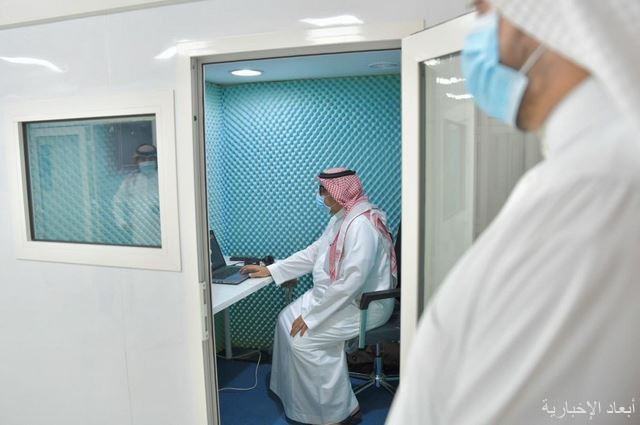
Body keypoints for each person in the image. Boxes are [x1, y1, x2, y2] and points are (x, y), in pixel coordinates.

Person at [387, 1, 640, 424]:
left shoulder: (598, 193)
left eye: (487, 14)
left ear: (548, 17)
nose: (478, 38)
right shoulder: (584, 178)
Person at [241, 168, 397, 425]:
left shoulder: (361, 225)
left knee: (304, 341)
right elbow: (315, 252)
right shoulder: (342, 217)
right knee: (285, 319)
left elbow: (352, 282)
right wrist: (273, 270)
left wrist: (312, 317)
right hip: (337, 296)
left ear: (340, 192)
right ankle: (290, 393)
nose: (320, 196)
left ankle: (338, 413)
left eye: (324, 190)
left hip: (364, 304)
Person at [113, 143, 161, 246]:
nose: (147, 162)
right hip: (139, 232)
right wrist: (122, 222)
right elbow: (118, 201)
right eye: (143, 159)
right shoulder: (130, 181)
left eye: (151, 159)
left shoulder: (164, 178)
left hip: (162, 231)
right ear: (137, 161)